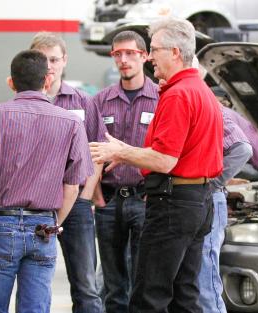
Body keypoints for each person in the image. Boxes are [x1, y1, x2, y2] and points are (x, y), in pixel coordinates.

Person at [90, 17, 224, 312]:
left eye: (154, 50)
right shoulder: (202, 92)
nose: (150, 57)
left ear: (175, 52)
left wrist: (121, 151)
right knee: (184, 295)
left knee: (149, 296)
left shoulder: (178, 94)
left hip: (173, 206)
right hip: (198, 203)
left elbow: (165, 159)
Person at [0, 49, 93, 313]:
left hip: (0, 221)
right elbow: (73, 186)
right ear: (47, 81)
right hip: (44, 225)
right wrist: (55, 224)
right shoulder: (71, 123)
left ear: (11, 82)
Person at [30, 32, 105, 313]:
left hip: (77, 206)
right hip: (36, 205)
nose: (48, 66)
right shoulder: (24, 101)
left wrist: (85, 196)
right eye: (42, 59)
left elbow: (98, 152)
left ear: (64, 61)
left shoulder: (84, 102)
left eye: (54, 59)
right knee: (35, 282)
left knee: (85, 285)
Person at [89, 30, 158, 312]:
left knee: (144, 279)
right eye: (118, 54)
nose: (124, 60)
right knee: (114, 285)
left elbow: (167, 151)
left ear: (144, 56)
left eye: (130, 53)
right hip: (110, 200)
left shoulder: (162, 98)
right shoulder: (100, 101)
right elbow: (89, 150)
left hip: (146, 200)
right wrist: (95, 195)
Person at [198, 108, 252, 313]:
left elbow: (242, 150)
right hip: (183, 201)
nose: (158, 76)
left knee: (205, 280)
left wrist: (209, 184)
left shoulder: (208, 106)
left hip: (207, 199)